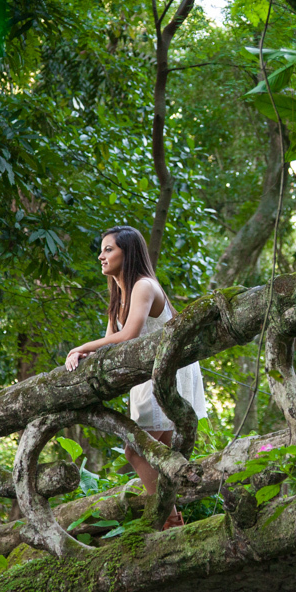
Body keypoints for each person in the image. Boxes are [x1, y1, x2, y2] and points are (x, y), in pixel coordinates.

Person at [63, 225, 207, 529]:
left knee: (135, 450)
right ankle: (174, 520)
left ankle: (167, 520)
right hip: (145, 377)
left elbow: (129, 335)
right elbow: (112, 341)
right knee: (159, 456)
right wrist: (86, 354)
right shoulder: (118, 291)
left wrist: (80, 346)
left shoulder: (143, 285)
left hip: (167, 372)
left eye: (109, 249)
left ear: (127, 253)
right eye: (101, 249)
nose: (101, 256)